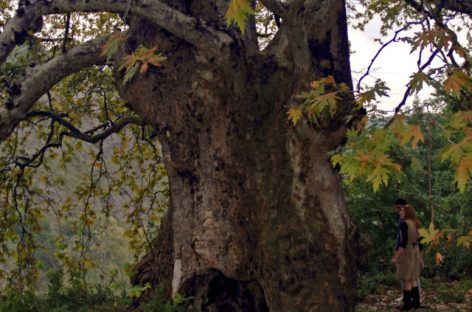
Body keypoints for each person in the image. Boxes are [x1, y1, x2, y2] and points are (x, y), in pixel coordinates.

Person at [392, 203, 423, 310]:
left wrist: (396, 256)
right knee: (413, 279)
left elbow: (403, 242)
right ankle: (416, 303)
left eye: (402, 211)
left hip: (407, 252)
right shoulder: (416, 223)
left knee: (406, 279)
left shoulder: (404, 224)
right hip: (415, 251)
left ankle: (407, 305)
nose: (399, 212)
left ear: (406, 213)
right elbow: (421, 241)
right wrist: (420, 257)